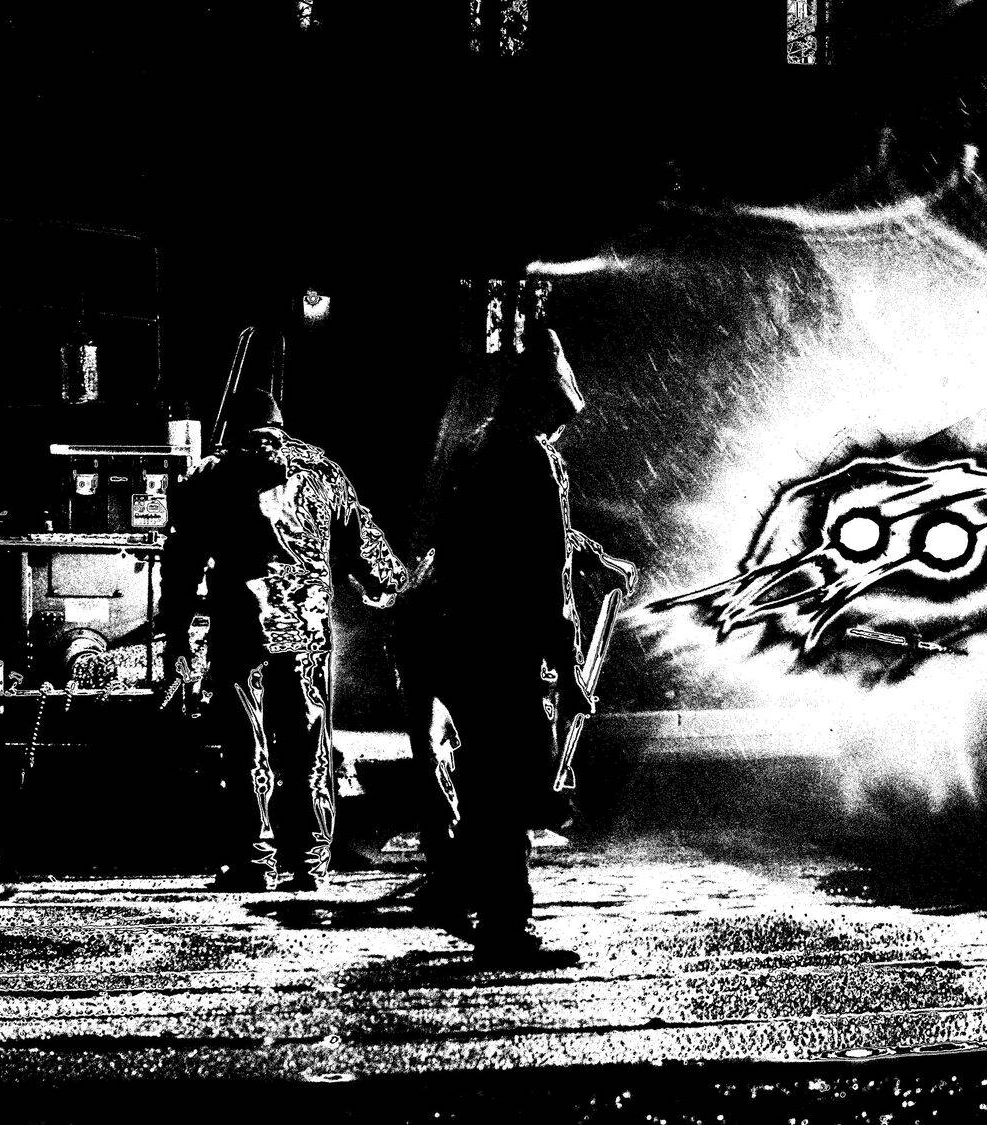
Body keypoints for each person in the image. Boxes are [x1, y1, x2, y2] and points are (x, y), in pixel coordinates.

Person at [423, 323, 634, 966]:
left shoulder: (477, 449)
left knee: (484, 778)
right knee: (513, 783)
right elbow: (548, 574)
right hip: (509, 647)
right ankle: (506, 925)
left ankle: (481, 900)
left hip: (462, 639)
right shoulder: (534, 460)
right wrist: (568, 669)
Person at [160, 386, 409, 892]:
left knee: (244, 743)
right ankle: (310, 862)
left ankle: (253, 862)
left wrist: (178, 634)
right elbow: (364, 545)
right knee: (308, 742)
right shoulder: (322, 471)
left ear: (231, 430)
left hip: (240, 625)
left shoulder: (209, 476)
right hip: (307, 627)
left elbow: (181, 564)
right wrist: (395, 587)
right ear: (280, 426)